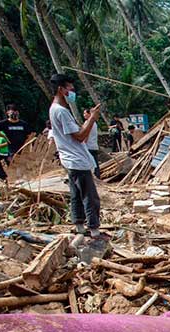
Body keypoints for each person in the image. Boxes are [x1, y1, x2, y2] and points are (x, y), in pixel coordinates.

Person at [48, 73, 105, 248]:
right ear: (61, 89)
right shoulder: (61, 111)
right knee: (90, 196)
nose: (73, 92)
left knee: (76, 195)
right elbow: (80, 136)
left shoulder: (55, 109)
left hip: (70, 159)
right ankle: (94, 231)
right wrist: (93, 118)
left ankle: (79, 226)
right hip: (76, 160)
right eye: (70, 89)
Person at [83, 109, 100, 178]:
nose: (84, 115)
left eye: (85, 113)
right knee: (95, 163)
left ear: (90, 114)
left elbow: (86, 134)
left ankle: (93, 177)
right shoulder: (94, 123)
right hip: (94, 146)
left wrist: (83, 143)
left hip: (88, 146)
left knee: (89, 164)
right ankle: (97, 176)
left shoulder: (88, 123)